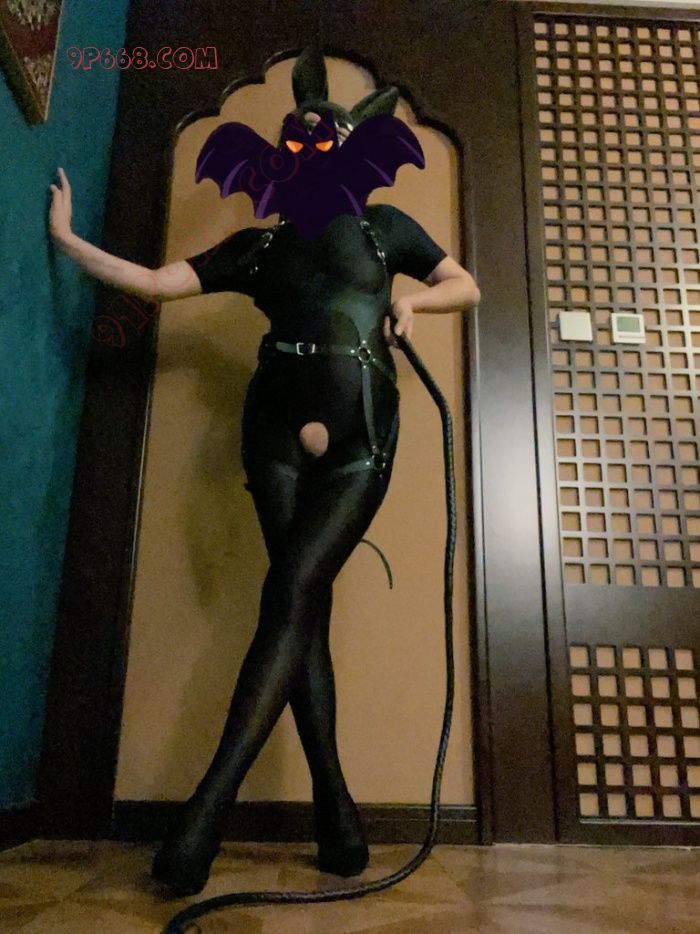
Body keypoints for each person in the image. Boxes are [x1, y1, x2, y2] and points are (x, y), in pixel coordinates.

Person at [48, 92, 479, 899]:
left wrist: (412, 299)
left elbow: (465, 286)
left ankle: (206, 812)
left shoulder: (386, 229)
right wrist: (68, 241)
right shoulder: (259, 245)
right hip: (271, 435)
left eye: (327, 134)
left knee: (290, 593)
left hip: (362, 437)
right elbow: (155, 282)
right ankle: (337, 818)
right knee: (296, 601)